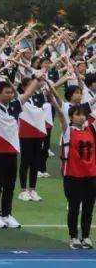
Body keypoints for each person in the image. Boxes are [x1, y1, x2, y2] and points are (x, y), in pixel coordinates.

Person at [0, 65, 44, 228]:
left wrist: (37, 79)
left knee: (10, 184)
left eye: (11, 92)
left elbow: (28, 93)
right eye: (6, 92)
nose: (10, 94)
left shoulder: (15, 106)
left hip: (12, 150)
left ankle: (7, 213)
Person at [53, 100, 96, 248]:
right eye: (78, 115)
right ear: (71, 117)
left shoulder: (90, 129)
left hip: (91, 174)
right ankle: (73, 237)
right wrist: (52, 98)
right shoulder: (68, 131)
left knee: (89, 207)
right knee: (74, 207)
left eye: (83, 114)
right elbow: (59, 113)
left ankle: (86, 236)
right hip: (73, 175)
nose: (82, 117)